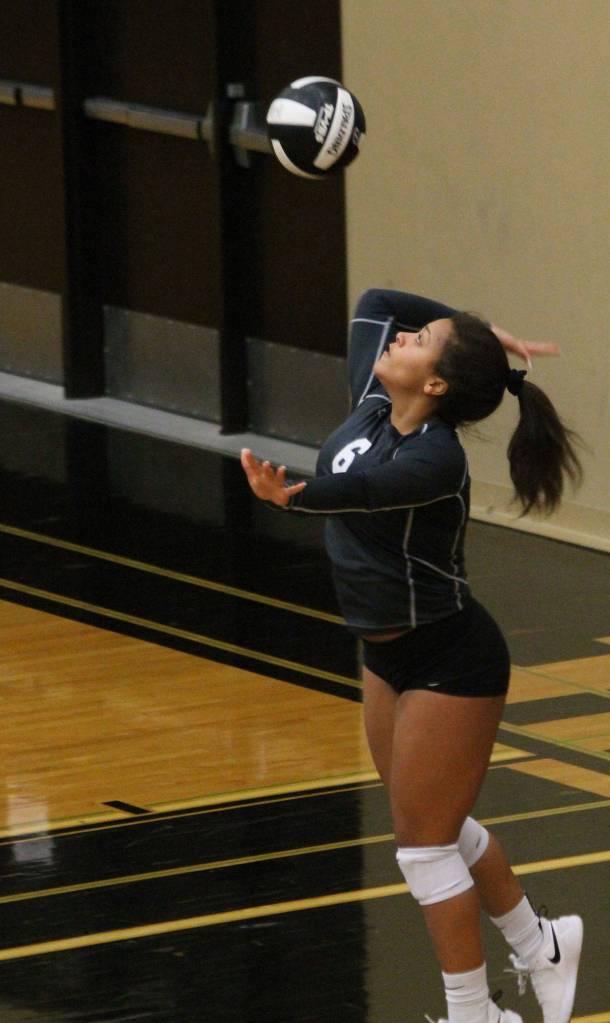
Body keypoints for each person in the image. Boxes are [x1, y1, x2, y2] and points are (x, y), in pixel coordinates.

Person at [240, 287, 583, 1023]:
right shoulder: (377, 388)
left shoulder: (435, 459)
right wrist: (477, 328)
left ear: (435, 385)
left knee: (422, 848)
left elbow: (361, 491)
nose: (399, 337)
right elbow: (376, 300)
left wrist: (291, 497)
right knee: (436, 822)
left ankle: (474, 1013)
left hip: (450, 659)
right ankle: (542, 943)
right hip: (385, 654)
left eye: (420, 340)